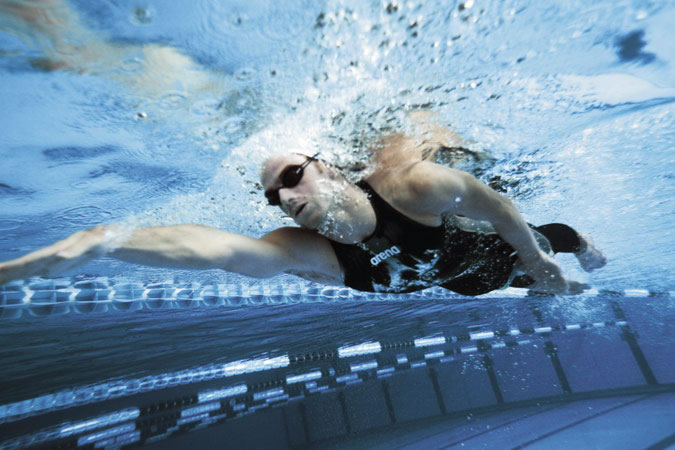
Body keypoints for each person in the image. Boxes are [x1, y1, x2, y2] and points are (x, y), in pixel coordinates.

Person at [0, 127, 606, 295]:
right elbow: (222, 251)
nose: (286, 199)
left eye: (293, 176)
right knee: (521, 281)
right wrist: (108, 240)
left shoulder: (413, 186)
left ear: (332, 167)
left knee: (552, 243)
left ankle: (580, 245)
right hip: (465, 284)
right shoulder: (310, 253)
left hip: (496, 248)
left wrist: (535, 259)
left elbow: (498, 205)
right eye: (274, 196)